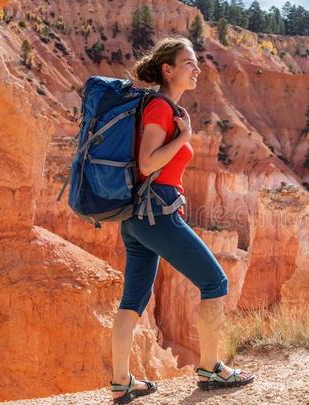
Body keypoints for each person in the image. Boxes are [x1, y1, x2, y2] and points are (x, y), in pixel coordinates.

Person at [109, 37, 254, 404]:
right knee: (215, 282)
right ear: (168, 69)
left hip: (139, 218)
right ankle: (210, 368)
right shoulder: (159, 107)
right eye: (189, 63)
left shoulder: (160, 107)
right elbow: (147, 163)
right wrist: (185, 136)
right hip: (157, 215)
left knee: (133, 300)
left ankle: (121, 381)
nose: (197, 69)